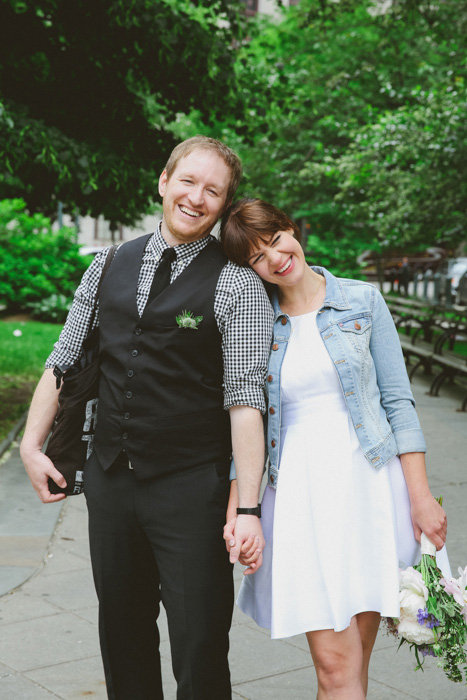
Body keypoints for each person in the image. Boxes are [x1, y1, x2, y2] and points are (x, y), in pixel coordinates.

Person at [19, 138, 274, 700]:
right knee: (123, 636)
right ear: (164, 182)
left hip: (191, 487)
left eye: (213, 190)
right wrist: (31, 447)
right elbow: (64, 359)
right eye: (188, 181)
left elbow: (246, 401)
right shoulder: (108, 263)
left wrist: (249, 507)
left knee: (200, 645)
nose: (195, 197)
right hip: (110, 480)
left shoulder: (237, 283)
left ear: (223, 204)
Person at [220, 199, 449, 700]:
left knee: (353, 667)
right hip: (299, 496)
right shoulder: (255, 323)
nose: (276, 258)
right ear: (249, 269)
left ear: (291, 229)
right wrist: (243, 507)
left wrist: (421, 497)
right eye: (258, 257)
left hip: (370, 488)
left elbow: (398, 402)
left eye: (276, 239)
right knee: (334, 669)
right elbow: (245, 419)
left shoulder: (362, 301)